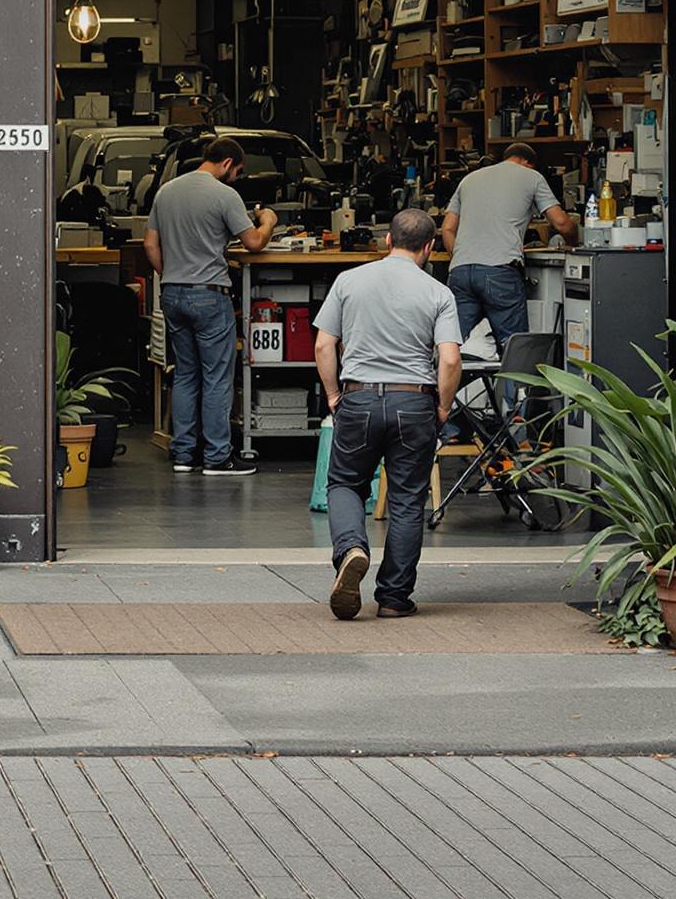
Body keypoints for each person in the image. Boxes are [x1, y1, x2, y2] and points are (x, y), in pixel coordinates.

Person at [313, 208, 464, 620]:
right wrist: (443, 407)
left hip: (358, 398)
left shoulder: (349, 280)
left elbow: (325, 345)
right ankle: (395, 599)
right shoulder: (438, 292)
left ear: (387, 240)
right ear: (430, 247)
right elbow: (449, 360)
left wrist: (332, 396)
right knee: (407, 499)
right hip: (413, 402)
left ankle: (352, 548)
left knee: (345, 483)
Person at [144, 135, 277, 476]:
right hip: (209, 294)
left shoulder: (166, 192)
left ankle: (184, 455)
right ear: (228, 163)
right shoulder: (225, 195)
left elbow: (150, 244)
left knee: (185, 375)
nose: (237, 177)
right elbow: (253, 243)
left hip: (172, 293)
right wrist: (269, 221)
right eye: (239, 171)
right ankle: (218, 458)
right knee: (216, 378)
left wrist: (171, 274)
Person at [441, 142, 578, 345]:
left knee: (452, 345)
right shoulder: (532, 177)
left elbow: (447, 228)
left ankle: (448, 377)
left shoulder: (469, 179)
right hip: (500, 271)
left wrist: (462, 253)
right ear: (527, 163)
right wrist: (574, 242)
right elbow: (562, 223)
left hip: (460, 272)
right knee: (513, 349)